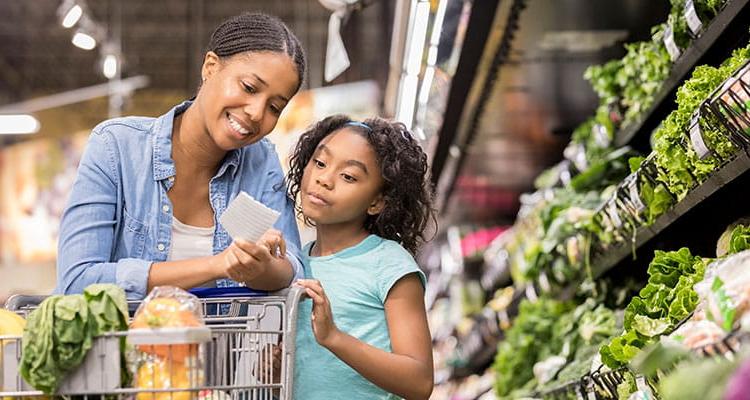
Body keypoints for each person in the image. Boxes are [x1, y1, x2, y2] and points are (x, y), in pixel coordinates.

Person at [55, 12, 307, 300]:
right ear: (211, 67)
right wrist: (217, 265)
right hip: (119, 344)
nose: (256, 112)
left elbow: (294, 272)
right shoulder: (116, 147)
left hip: (225, 346)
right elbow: (77, 280)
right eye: (249, 88)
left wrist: (261, 265)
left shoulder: (261, 163)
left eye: (275, 107)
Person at [287, 115, 435, 399]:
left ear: (377, 202)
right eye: (320, 162)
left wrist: (334, 338)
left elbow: (419, 382)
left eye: (348, 177)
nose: (324, 179)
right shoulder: (296, 262)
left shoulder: (389, 263)